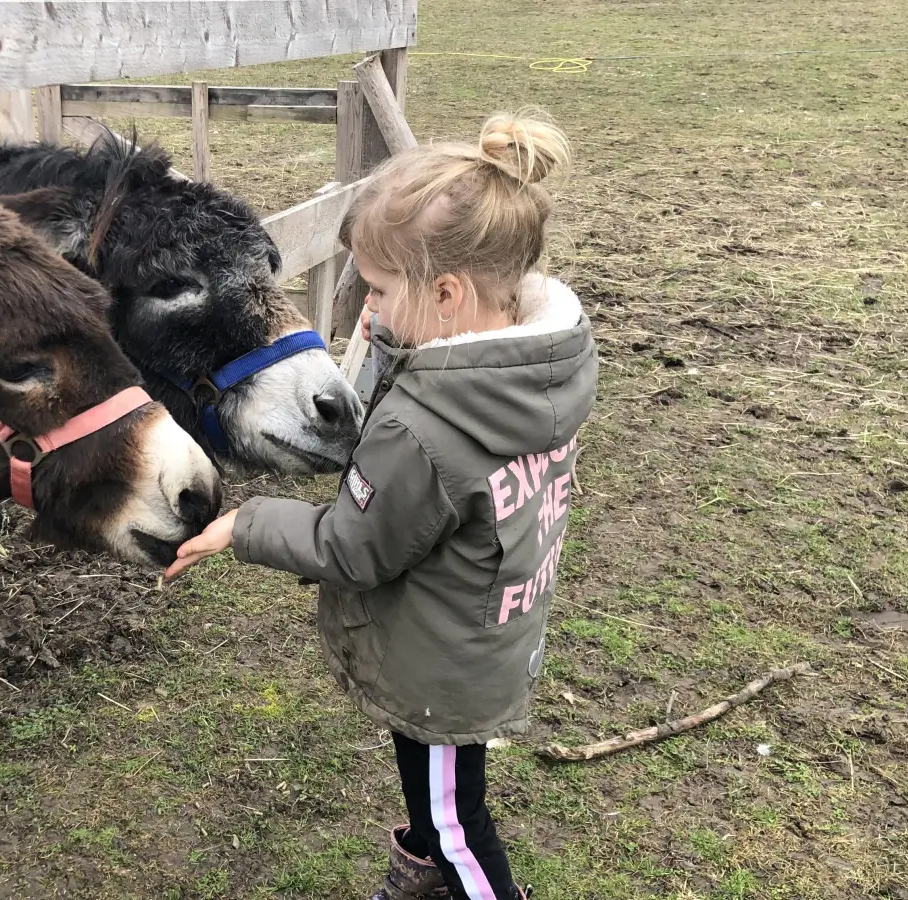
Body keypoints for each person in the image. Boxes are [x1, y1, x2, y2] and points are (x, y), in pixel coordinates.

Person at [165, 111, 597, 900]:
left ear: (445, 292)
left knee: (460, 824)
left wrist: (246, 523)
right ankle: (426, 868)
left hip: (440, 664)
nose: (368, 299)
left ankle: (453, 880)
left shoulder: (421, 434)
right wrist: (396, 341)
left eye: (381, 286)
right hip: (484, 628)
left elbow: (352, 547)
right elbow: (438, 405)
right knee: (439, 799)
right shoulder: (530, 373)